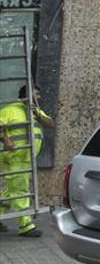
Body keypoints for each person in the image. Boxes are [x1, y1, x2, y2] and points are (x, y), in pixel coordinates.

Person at [0, 85, 55, 237]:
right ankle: (26, 226)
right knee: (20, 191)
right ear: (27, 95)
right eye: (37, 94)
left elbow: (51, 124)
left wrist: (37, 114)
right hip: (15, 158)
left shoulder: (35, 111)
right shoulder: (11, 110)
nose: (40, 97)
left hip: (27, 159)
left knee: (9, 192)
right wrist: (6, 140)